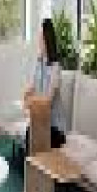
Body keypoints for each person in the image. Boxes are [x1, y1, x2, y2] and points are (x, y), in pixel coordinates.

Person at [23, 18, 66, 150]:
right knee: (29, 134)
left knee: (32, 136)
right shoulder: (39, 62)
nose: (39, 41)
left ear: (47, 40)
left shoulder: (55, 67)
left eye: (41, 38)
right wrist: (27, 94)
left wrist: (31, 101)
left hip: (54, 127)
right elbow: (33, 87)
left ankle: (30, 161)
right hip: (40, 120)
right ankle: (27, 162)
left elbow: (48, 101)